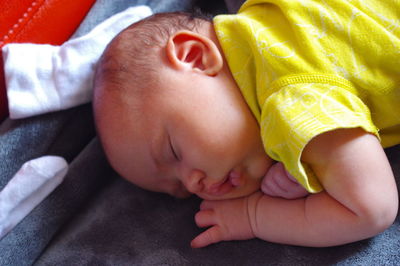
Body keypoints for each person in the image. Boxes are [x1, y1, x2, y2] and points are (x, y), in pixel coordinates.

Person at [93, 0, 399, 248]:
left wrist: (255, 217)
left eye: (174, 151)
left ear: (195, 56)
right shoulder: (260, 15)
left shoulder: (291, 103)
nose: (192, 183)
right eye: (179, 190)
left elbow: (371, 209)